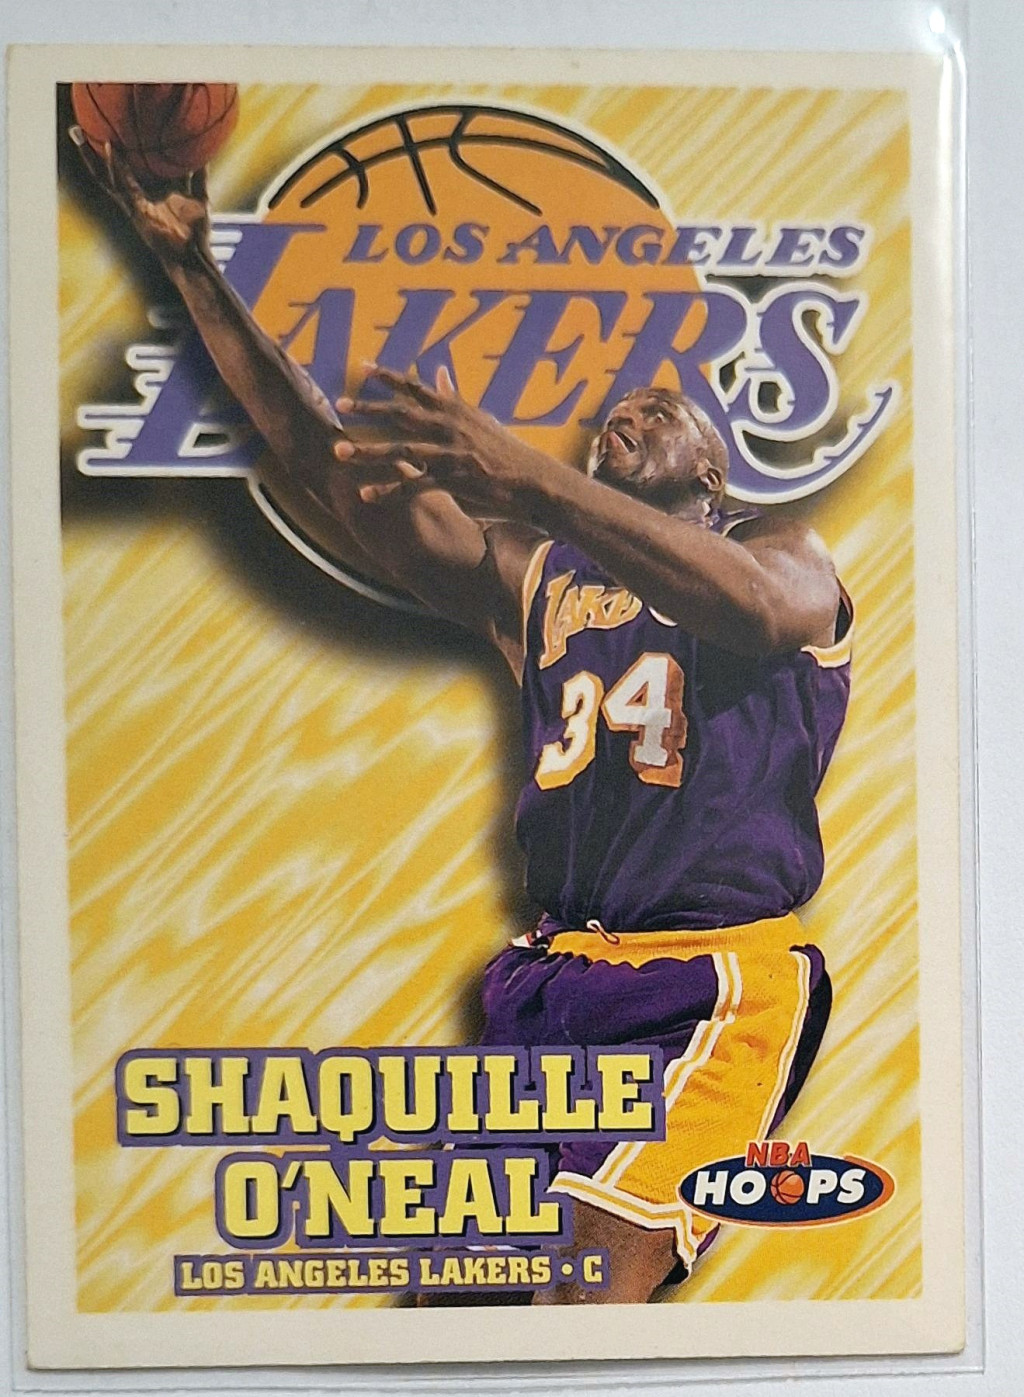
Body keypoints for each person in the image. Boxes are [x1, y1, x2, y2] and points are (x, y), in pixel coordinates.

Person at [73, 136, 851, 1304]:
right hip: (553, 975)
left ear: (713, 479)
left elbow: (757, 609)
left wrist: (534, 480)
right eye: (615, 411)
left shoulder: (777, 548)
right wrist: (191, 265)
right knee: (450, 1300)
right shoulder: (537, 575)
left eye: (658, 411)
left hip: (707, 984)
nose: (623, 414)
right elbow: (325, 466)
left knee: (578, 1299)